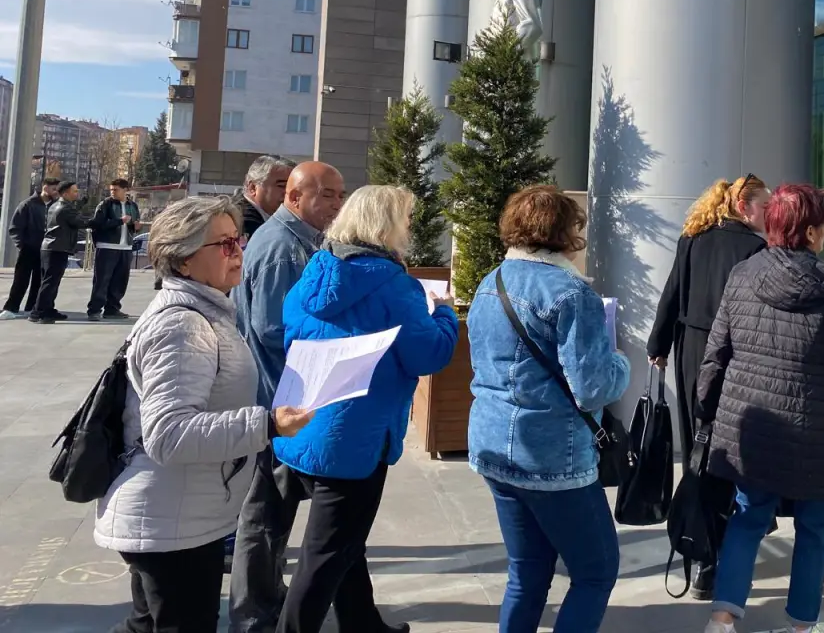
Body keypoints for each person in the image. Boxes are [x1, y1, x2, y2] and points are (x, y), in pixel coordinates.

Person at [94, 196, 312, 633]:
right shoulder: (184, 325)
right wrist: (268, 424)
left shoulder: (206, 310)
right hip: (169, 520)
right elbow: (169, 434)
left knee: (145, 623)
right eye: (225, 244)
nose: (238, 252)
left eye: (238, 240)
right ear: (184, 261)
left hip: (182, 512)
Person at [274, 185, 460, 633]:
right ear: (387, 225)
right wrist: (445, 314)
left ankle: (363, 624)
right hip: (355, 440)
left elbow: (289, 330)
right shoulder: (396, 285)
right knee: (324, 556)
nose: (410, 227)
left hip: (304, 423)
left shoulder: (316, 269)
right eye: (406, 218)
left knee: (344, 543)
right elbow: (429, 354)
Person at [696, 183, 824, 633]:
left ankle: (722, 616)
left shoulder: (743, 274)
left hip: (753, 424)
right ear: (810, 232)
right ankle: (802, 624)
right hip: (815, 428)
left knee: (748, 515)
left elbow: (717, 351)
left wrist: (707, 407)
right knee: (814, 524)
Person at [468, 185, 631, 633]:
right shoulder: (571, 293)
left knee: (527, 571)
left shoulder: (490, 282)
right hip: (551, 455)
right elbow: (593, 388)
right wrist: (620, 362)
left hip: (492, 444)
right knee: (596, 572)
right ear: (563, 232)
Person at [228, 161, 345, 633]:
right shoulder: (281, 247)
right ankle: (253, 614)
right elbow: (273, 328)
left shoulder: (298, 240)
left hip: (283, 397)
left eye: (340, 195)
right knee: (264, 513)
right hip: (275, 397)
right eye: (327, 195)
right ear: (294, 198)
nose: (337, 204)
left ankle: (267, 600)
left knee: (274, 512)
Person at [646, 174, 770, 598]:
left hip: (692, 353)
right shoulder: (755, 249)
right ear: (743, 206)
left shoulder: (692, 239)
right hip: (736, 354)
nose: (769, 213)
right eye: (764, 205)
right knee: (733, 452)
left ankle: (697, 551)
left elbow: (671, 292)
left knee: (698, 449)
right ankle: (717, 558)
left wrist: (658, 345)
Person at [2, 177, 60, 320]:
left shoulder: (56, 206)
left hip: (46, 250)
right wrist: (22, 245)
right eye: (54, 189)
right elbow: (15, 228)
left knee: (39, 281)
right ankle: (11, 308)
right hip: (28, 249)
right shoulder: (28, 204)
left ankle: (32, 307)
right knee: (21, 280)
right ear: (45, 187)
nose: (56, 192)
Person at [87, 178, 143, 322]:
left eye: (116, 190)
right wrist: (119, 221)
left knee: (120, 281)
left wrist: (136, 227)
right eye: (111, 189)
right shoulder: (105, 204)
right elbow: (98, 224)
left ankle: (112, 309)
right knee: (102, 280)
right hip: (107, 246)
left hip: (126, 247)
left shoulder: (133, 206)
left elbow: (133, 224)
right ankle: (94, 310)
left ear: (126, 190)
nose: (112, 192)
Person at [32, 180, 86, 324]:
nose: (77, 193)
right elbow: (81, 222)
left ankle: (48, 309)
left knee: (51, 282)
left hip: (52, 246)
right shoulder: (64, 208)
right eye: (74, 191)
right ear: (66, 193)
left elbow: (73, 216)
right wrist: (110, 221)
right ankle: (39, 312)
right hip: (56, 248)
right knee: (50, 282)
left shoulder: (57, 205)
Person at [233, 155, 296, 243]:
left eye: (293, 187)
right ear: (253, 187)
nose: (289, 193)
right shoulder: (241, 221)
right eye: (282, 186)